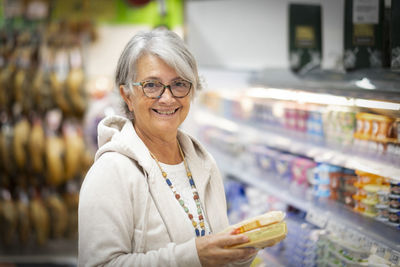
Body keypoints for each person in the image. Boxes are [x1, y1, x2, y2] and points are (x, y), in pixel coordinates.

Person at [78, 29, 257, 267]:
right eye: (151, 85)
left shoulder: (203, 163)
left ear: (191, 91)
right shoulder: (111, 172)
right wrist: (193, 257)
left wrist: (239, 254)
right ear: (127, 95)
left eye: (179, 84)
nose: (168, 98)